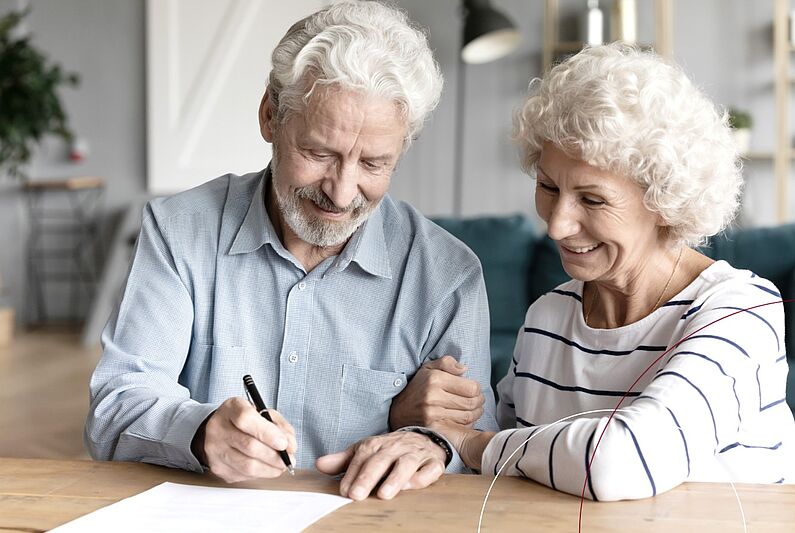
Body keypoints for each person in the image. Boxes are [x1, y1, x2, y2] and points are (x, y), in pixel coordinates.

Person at [84, 1, 497, 501]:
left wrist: (428, 440)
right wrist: (198, 432)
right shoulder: (178, 232)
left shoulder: (447, 275)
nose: (342, 193)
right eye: (319, 153)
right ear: (269, 117)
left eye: (373, 163)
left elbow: (476, 447)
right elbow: (115, 406)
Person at [423, 43, 795, 500]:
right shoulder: (547, 317)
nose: (557, 224)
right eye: (548, 186)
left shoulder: (740, 312)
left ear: (664, 200)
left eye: (593, 200)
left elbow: (622, 462)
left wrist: (475, 445)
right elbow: (503, 461)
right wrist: (436, 424)